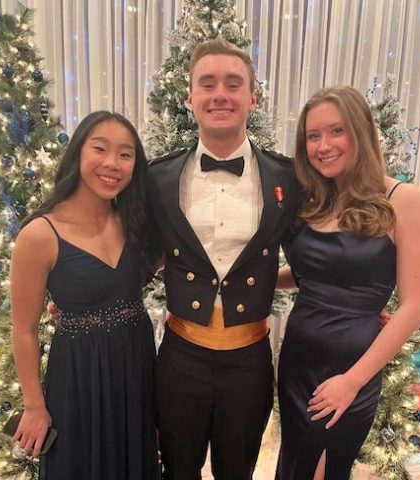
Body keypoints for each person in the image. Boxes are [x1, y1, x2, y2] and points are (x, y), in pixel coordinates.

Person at [147, 38, 302, 480]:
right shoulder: (157, 177)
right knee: (178, 471)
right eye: (207, 83)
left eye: (233, 84)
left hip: (249, 360)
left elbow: (315, 258)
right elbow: (138, 255)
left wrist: (357, 305)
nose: (220, 94)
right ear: (189, 96)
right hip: (180, 358)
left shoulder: (288, 178)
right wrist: (86, 294)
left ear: (252, 97)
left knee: (238, 471)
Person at [275, 85, 420, 480]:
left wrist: (353, 381)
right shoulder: (315, 200)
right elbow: (307, 277)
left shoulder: (404, 200)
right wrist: (237, 282)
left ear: (361, 132)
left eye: (336, 131)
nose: (323, 145)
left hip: (349, 371)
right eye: (313, 136)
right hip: (296, 360)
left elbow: (415, 305)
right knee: (295, 465)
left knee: (325, 469)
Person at [10, 111, 160, 480]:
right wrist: (33, 406)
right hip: (78, 378)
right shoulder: (40, 234)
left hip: (136, 369)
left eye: (126, 154)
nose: (112, 163)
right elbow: (24, 330)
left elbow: (173, 266)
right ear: (78, 152)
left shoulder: (136, 222)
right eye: (100, 149)